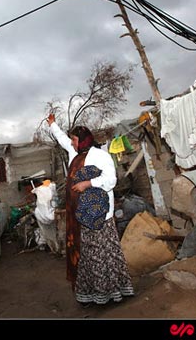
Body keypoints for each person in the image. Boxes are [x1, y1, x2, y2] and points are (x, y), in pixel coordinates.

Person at [47, 113, 134, 305]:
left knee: (104, 254)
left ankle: (113, 293)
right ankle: (92, 294)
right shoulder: (74, 154)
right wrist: (53, 125)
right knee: (86, 254)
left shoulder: (100, 155)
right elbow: (62, 140)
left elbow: (111, 180)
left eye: (75, 140)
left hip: (100, 215)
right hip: (80, 215)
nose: (72, 143)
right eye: (72, 140)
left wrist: (88, 183)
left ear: (84, 140)